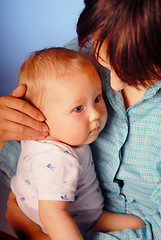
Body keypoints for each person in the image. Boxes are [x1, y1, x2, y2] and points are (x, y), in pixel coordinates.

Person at [1, 0, 161, 238]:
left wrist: (34, 235)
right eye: (105, 61)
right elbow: (22, 171)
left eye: (137, 73)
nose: (112, 85)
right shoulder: (71, 61)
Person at [6, 47, 145, 240]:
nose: (95, 113)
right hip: (65, 223)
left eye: (97, 98)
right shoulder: (56, 160)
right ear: (40, 116)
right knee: (139, 225)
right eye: (78, 108)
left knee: (139, 225)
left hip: (86, 212)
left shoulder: (49, 133)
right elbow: (53, 215)